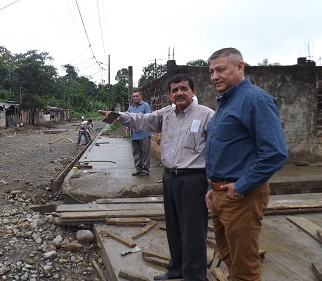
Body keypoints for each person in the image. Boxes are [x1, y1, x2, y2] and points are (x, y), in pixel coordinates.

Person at [98, 74, 214, 281]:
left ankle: (195, 277)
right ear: (169, 94)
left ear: (193, 91)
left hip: (194, 179)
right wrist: (118, 115)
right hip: (170, 178)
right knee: (174, 227)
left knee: (193, 232)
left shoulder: (207, 115)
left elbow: (217, 150)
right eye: (175, 90)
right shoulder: (165, 115)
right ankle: (176, 269)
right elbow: (142, 120)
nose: (179, 93)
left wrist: (214, 183)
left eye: (184, 88)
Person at [205, 48, 288, 280]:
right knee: (229, 255)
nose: (214, 77)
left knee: (244, 268)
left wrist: (241, 186)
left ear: (240, 67)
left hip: (241, 196)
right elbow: (220, 151)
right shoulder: (226, 102)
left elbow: (275, 152)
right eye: (212, 71)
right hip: (220, 193)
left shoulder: (255, 99)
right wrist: (211, 187)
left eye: (220, 69)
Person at [126, 90, 152, 176]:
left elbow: (150, 118)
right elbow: (127, 118)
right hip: (134, 134)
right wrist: (127, 128)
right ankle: (138, 169)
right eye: (134, 96)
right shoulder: (130, 108)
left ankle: (145, 170)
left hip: (144, 134)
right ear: (132, 98)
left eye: (137, 96)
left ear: (141, 97)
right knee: (136, 153)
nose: (135, 98)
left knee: (145, 152)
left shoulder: (145, 105)